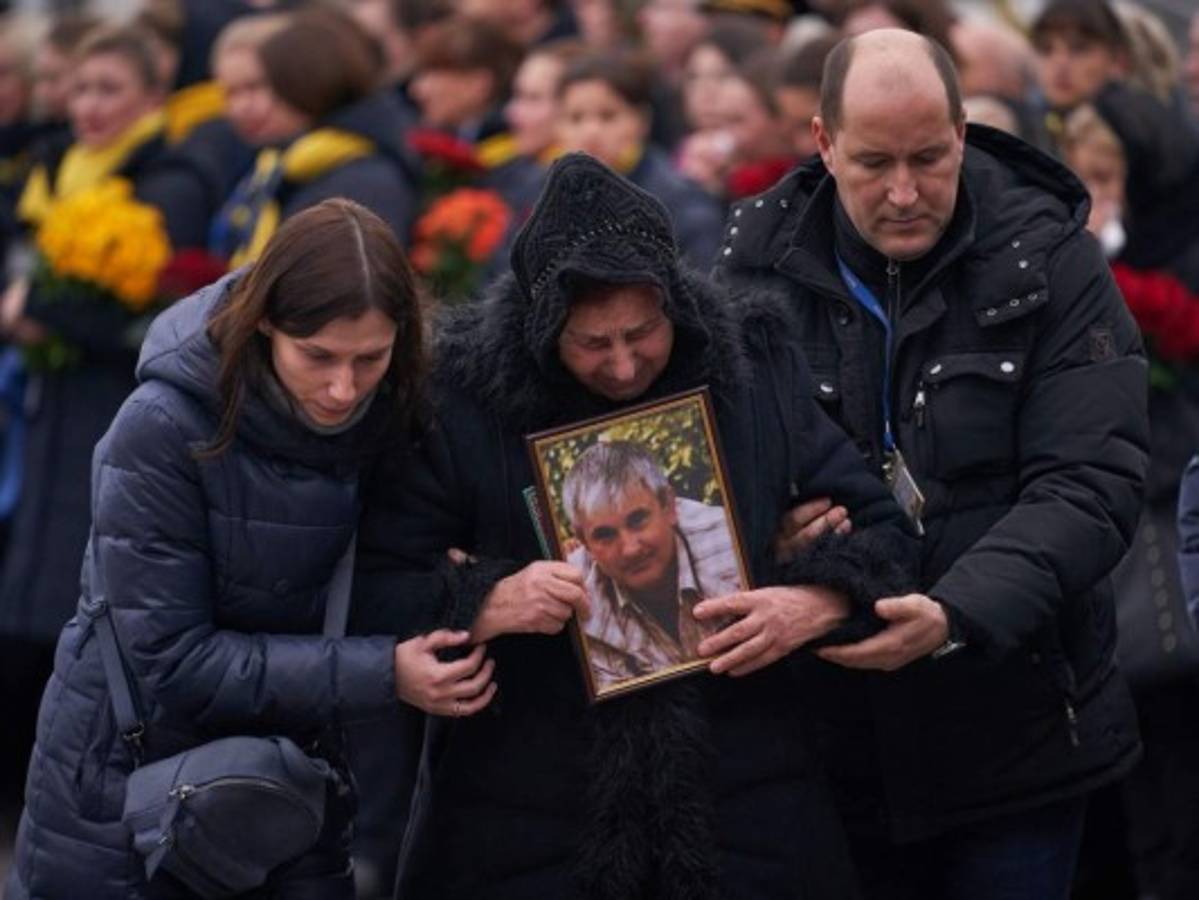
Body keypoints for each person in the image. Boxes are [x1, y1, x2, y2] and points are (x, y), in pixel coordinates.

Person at [352, 151, 916, 899]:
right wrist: (484, 600)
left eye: (641, 333)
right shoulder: (461, 404)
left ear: (674, 308)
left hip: (746, 794)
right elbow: (374, 586)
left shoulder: (749, 371)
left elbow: (885, 533)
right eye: (591, 343)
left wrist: (810, 604)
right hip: (530, 808)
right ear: (542, 327)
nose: (622, 365)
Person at [716, 28, 1149, 900]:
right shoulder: (749, 272)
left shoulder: (1050, 262)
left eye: (926, 157)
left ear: (960, 133)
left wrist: (954, 612)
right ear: (823, 142)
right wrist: (765, 531)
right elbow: (712, 482)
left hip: (1013, 731)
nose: (905, 192)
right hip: (827, 746)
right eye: (874, 163)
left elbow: (1089, 485)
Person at [5, 199, 495, 899]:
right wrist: (385, 673)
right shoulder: (161, 428)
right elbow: (171, 659)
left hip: (292, 787)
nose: (342, 387)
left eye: (370, 359)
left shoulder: (398, 412)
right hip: (129, 792)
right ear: (265, 321)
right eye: (317, 356)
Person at [208, 7, 419, 266]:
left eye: (265, 87)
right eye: (229, 93)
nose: (247, 106)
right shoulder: (284, 162)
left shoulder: (361, 178)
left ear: (307, 85)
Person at [562, 440, 740, 688]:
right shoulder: (575, 599)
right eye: (605, 535)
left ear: (668, 505)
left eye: (637, 520)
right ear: (584, 542)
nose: (630, 549)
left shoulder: (730, 542)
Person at [556, 49, 725, 267]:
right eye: (575, 118)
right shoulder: (543, 195)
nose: (591, 131)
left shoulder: (679, 204)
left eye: (608, 116)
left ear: (642, 121)